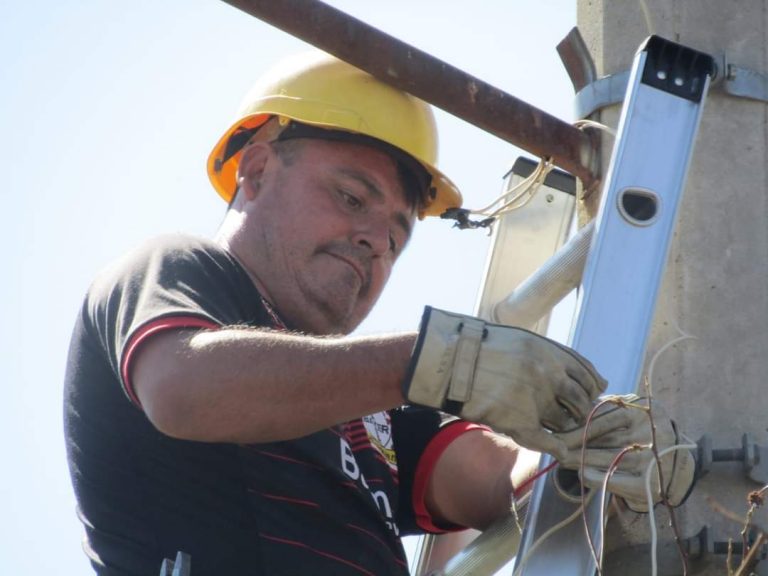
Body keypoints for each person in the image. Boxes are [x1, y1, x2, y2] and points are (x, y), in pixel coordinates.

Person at [64, 51, 696, 576]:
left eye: (397, 235)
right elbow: (184, 389)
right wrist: (436, 360)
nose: (375, 240)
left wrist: (587, 445)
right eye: (350, 197)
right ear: (255, 170)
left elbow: (490, 479)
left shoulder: (375, 399)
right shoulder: (179, 270)